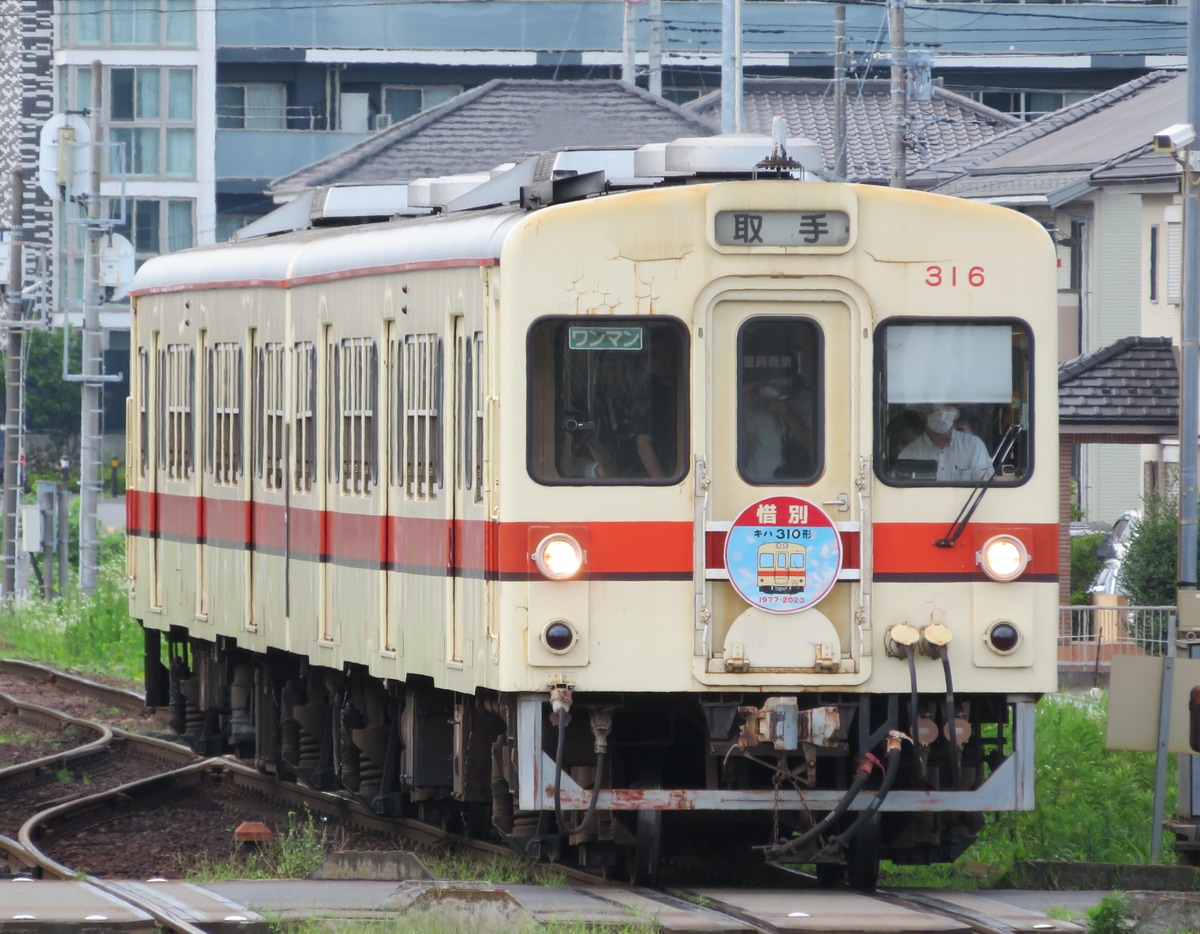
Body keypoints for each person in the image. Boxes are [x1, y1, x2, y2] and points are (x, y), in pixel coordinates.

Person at [584, 351, 665, 479]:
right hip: (615, 473)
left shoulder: (644, 393)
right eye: (610, 368)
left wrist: (663, 488)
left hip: (647, 475)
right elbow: (609, 467)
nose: (617, 373)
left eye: (622, 366)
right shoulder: (601, 400)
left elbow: (644, 445)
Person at [899, 403, 992, 482]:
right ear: (922, 414)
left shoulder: (973, 445)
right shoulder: (909, 454)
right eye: (934, 411)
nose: (943, 414)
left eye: (947, 407)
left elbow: (986, 488)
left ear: (955, 413)